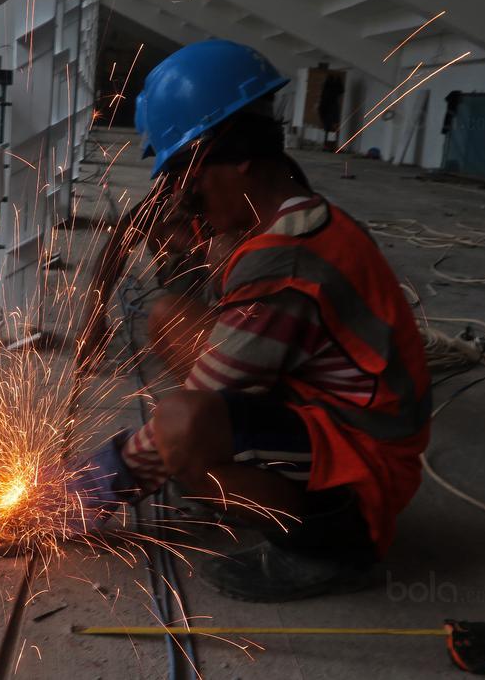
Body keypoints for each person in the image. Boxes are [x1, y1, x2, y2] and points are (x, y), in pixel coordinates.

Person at [67, 40, 431, 603]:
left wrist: (83, 491)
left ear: (238, 156)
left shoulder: (284, 261)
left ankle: (330, 547)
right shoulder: (291, 219)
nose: (183, 194)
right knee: (167, 315)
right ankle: (249, 478)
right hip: (335, 413)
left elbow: (198, 403)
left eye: (187, 172)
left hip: (366, 464)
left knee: (182, 425)